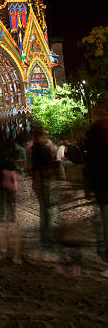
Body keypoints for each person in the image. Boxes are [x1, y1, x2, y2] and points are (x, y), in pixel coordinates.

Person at [84, 116, 108, 277]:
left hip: (103, 192)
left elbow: (90, 170)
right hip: (103, 191)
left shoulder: (95, 149)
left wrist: (89, 189)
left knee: (106, 224)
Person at [31, 127, 55, 248]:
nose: (46, 137)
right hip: (41, 182)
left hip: (42, 181)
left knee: (45, 210)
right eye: (45, 135)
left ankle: (45, 236)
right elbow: (41, 165)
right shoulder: (38, 149)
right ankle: (45, 238)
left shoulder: (39, 148)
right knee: (45, 210)